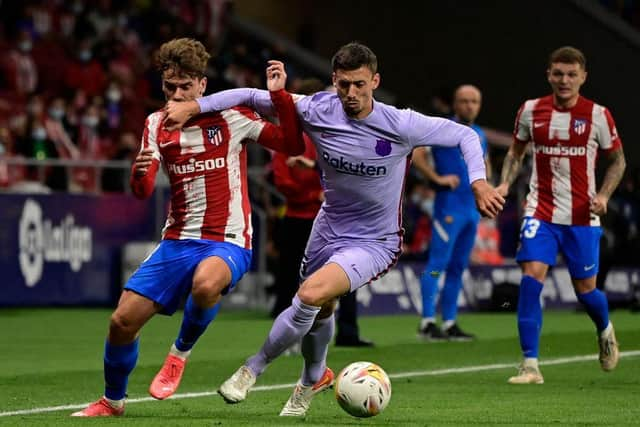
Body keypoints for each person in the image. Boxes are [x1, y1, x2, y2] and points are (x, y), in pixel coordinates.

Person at [165, 42, 504, 416]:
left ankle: (251, 369)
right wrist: (194, 106)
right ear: (333, 81)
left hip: (375, 240)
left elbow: (466, 136)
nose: (351, 94)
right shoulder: (317, 108)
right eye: (344, 85)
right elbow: (247, 94)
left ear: (375, 80)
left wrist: (478, 182)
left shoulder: (401, 123)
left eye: (360, 84)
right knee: (322, 307)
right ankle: (314, 377)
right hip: (327, 228)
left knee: (310, 294)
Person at [71, 37, 303, 417]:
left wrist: (279, 98)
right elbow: (143, 191)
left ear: (202, 86)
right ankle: (113, 401)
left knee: (207, 283)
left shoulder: (232, 117)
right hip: (177, 241)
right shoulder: (155, 124)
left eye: (185, 86)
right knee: (121, 322)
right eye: (169, 87)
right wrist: (139, 174)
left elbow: (291, 142)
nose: (176, 95)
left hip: (227, 239)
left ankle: (178, 354)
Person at [496, 46, 625, 384]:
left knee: (585, 291)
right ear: (548, 75)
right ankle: (530, 364)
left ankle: (605, 329)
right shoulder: (530, 110)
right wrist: (505, 185)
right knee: (531, 277)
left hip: (582, 215)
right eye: (558, 73)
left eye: (571, 74)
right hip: (541, 210)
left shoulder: (598, 115)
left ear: (583, 77)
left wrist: (604, 195)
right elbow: (515, 152)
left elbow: (618, 161)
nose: (564, 80)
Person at [270, 78, 373, 348]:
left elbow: (345, 171)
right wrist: (313, 194)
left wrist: (320, 182)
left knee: (347, 274)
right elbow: (282, 182)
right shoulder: (288, 137)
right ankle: (288, 338)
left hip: (332, 217)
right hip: (297, 217)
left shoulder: (333, 134)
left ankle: (348, 332)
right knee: (293, 278)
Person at [412, 84, 490, 341]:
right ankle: (426, 322)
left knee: (458, 267)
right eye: (464, 101)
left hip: (471, 209)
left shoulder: (479, 133)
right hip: (448, 207)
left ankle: (449, 323)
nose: (469, 106)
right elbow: (417, 153)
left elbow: (484, 164)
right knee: (437, 264)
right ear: (455, 104)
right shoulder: (443, 127)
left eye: (474, 101)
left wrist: (488, 192)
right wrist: (436, 178)